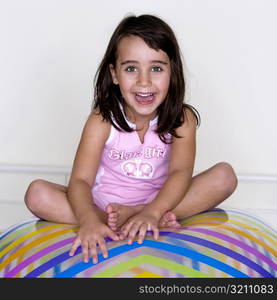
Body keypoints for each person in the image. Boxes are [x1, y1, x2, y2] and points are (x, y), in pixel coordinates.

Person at [24, 14, 238, 264]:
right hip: (104, 208)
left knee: (224, 176)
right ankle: (125, 221)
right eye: (131, 68)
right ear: (114, 74)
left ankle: (143, 216)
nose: (144, 81)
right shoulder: (102, 120)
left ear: (172, 72)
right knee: (37, 194)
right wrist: (89, 220)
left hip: (162, 202)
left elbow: (180, 173)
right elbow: (80, 180)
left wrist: (153, 210)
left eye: (156, 68)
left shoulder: (182, 118)